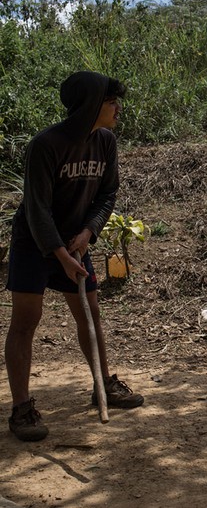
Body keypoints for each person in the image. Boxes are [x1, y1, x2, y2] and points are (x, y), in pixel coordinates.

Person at [5, 71, 144, 442]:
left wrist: (87, 234)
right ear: (90, 105)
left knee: (89, 313)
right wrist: (60, 254)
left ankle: (102, 385)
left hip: (76, 243)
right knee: (26, 320)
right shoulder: (46, 145)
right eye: (111, 101)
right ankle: (21, 408)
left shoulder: (106, 142)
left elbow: (107, 194)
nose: (118, 108)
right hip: (35, 244)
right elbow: (36, 209)